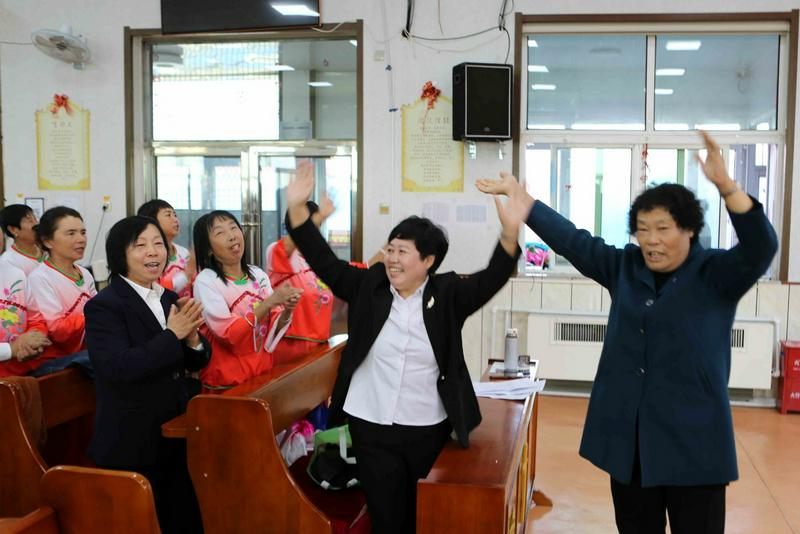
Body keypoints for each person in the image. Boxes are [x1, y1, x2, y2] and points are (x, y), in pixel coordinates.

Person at [476, 131, 778, 534]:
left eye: (663, 229)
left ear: (689, 230)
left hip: (694, 443)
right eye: (642, 229)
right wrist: (526, 204)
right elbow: (575, 242)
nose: (651, 240)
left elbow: (761, 246)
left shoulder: (716, 274)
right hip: (630, 443)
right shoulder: (625, 267)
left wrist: (726, 186)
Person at [285, 161, 527, 534]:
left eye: (402, 252)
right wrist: (299, 212)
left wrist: (510, 233)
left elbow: (491, 278)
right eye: (390, 249)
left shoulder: (447, 295)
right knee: (386, 517)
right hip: (371, 423)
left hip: (426, 426)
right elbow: (325, 263)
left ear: (428, 262)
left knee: (423, 515)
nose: (392, 259)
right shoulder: (370, 287)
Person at [84, 215, 209, 534]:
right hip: (132, 437)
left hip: (173, 430)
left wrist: (193, 340)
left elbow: (193, 362)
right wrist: (172, 335)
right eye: (140, 246)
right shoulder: (105, 306)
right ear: (119, 255)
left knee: (181, 518)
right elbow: (118, 367)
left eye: (158, 244)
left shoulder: (167, 297)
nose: (153, 252)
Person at [192, 210, 302, 391]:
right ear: (209, 249)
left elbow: (274, 326)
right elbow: (227, 334)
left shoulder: (257, 274)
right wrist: (269, 302)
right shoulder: (206, 281)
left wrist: (288, 308)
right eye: (220, 232)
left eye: (234, 228)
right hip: (226, 383)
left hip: (261, 374)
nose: (232, 236)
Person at [26, 207, 96, 376]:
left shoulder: (84, 273)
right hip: (53, 363)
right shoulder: (40, 277)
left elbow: (100, 310)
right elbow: (58, 331)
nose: (81, 239)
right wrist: (94, 315)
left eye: (83, 232)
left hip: (82, 355)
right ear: (48, 241)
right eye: (71, 233)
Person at [0, 230, 52, 377]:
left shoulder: (16, 274)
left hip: (22, 374)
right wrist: (12, 349)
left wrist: (33, 341)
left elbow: (36, 318)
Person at [137, 199, 195, 297]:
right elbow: (156, 291)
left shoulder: (183, 252)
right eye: (168, 215)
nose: (175, 220)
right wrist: (187, 272)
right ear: (152, 221)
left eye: (175, 215)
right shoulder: (148, 256)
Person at [0, 204, 45, 274]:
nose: (36, 224)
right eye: (30, 221)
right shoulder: (8, 262)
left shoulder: (48, 249)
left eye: (35, 219)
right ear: (13, 229)